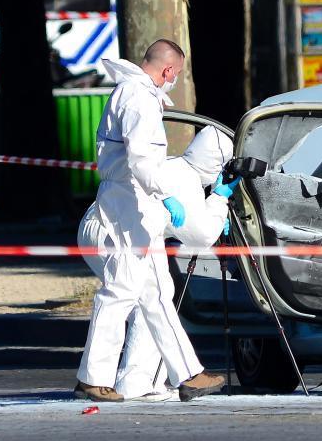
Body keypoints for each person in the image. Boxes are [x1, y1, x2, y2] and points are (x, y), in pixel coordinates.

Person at [75, 39, 225, 403]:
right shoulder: (139, 99)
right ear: (169, 70)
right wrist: (166, 193)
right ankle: (92, 378)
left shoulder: (132, 94)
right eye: (177, 74)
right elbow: (142, 161)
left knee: (158, 294)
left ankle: (189, 374)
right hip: (129, 206)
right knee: (121, 291)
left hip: (135, 204)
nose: (175, 81)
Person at [79, 125, 240, 401]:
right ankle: (129, 381)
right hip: (119, 231)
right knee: (143, 299)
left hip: (103, 226)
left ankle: (134, 379)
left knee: (150, 299)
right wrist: (220, 198)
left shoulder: (174, 166)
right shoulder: (187, 181)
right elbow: (201, 236)